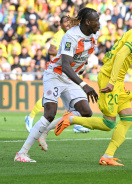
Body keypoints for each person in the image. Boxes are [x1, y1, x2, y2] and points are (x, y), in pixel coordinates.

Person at [54, 9, 132, 166]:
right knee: (109, 124)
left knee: (127, 119)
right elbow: (120, 56)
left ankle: (107, 156)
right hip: (109, 78)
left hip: (117, 81)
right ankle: (70, 119)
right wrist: (111, 82)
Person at [14, 7, 100, 162]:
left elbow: (79, 60)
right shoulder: (71, 36)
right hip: (56, 74)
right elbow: (66, 66)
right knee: (49, 113)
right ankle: (21, 154)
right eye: (96, 21)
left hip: (71, 77)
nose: (99, 24)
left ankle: (45, 130)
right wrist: (84, 85)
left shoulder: (94, 34)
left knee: (86, 112)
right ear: (88, 22)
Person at [24, 16, 91, 134]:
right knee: (51, 100)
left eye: (69, 22)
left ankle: (77, 123)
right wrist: (66, 52)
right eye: (65, 22)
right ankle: (30, 117)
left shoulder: (72, 34)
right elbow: (51, 50)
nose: (68, 24)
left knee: (70, 98)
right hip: (57, 71)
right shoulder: (60, 35)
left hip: (67, 70)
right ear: (60, 25)